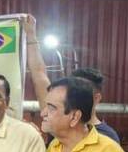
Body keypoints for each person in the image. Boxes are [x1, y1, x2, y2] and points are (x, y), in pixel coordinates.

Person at [23, 16, 120, 144]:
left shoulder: (106, 139)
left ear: (96, 98)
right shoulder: (56, 116)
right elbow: (39, 74)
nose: (72, 97)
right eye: (70, 91)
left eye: (79, 93)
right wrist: (30, 35)